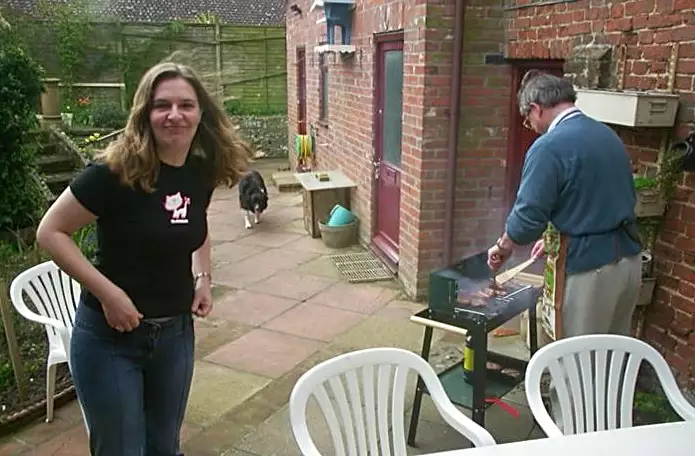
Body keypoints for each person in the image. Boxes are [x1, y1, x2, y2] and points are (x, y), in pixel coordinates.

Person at [36, 61, 252, 455]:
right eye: (162, 105)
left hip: (174, 335)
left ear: (201, 112)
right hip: (109, 339)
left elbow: (194, 225)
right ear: (145, 113)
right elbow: (50, 232)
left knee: (164, 447)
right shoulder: (113, 173)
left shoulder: (199, 172)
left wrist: (203, 278)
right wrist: (109, 295)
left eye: (186, 105)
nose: (174, 115)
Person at [487, 71, 642, 431]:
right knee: (610, 361)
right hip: (628, 264)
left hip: (592, 272)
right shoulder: (606, 135)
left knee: (572, 367)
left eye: (528, 119)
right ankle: (610, 436)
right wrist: (559, 233)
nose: (530, 127)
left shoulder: (549, 147)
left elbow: (527, 217)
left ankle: (573, 442)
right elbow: (593, 198)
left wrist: (502, 247)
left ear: (537, 108)